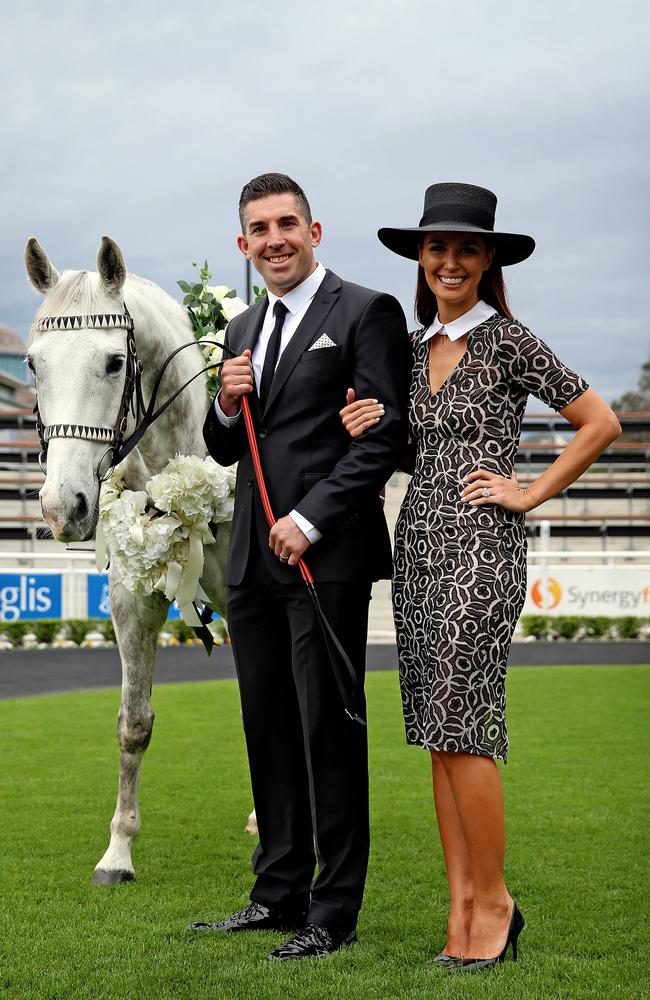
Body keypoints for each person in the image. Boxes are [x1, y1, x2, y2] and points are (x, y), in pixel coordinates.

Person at [340, 182, 621, 971]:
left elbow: (600, 422)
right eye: (438, 248)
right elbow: (404, 453)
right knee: (436, 734)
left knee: (465, 730)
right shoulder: (408, 349)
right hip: (418, 549)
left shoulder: (510, 341)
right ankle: (461, 905)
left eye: (467, 248)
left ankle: (495, 902)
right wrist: (363, 423)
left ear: (489, 258)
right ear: (421, 259)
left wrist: (527, 491)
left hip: (481, 551)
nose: (451, 262)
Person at [191, 173, 411, 960]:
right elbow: (225, 447)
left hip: (326, 558)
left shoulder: (366, 311)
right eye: (260, 228)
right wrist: (223, 398)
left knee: (328, 732)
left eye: (289, 223)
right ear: (242, 245)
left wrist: (311, 519)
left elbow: (382, 437)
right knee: (270, 731)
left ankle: (333, 912)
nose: (275, 238)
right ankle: (275, 894)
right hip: (252, 560)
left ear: (314, 232)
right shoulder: (242, 325)